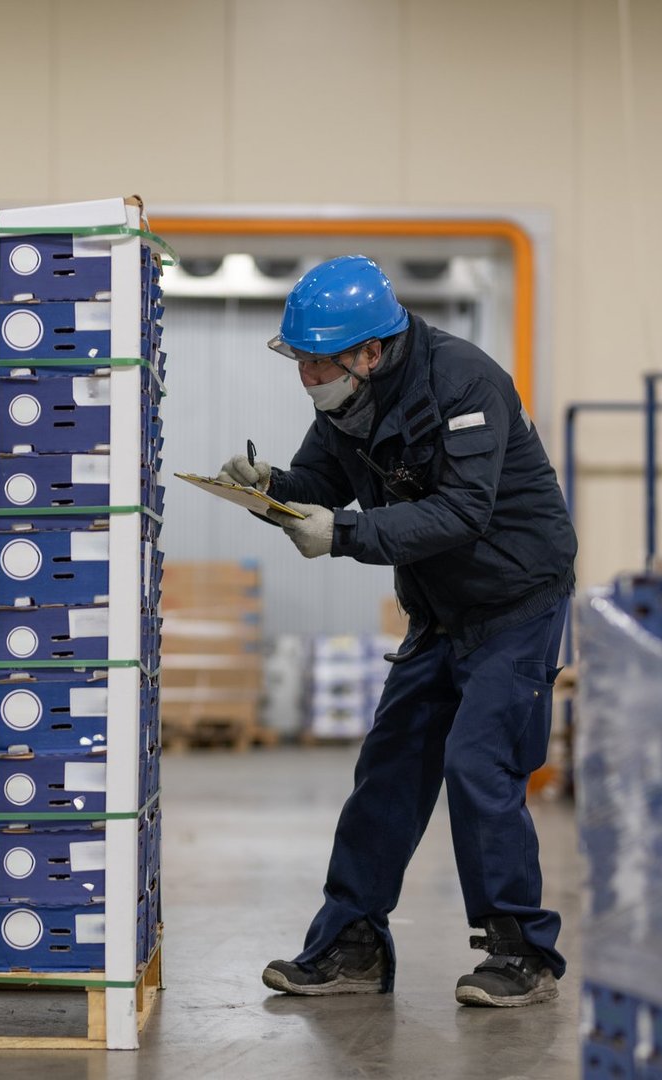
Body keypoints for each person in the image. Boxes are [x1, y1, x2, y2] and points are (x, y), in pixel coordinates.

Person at [218, 255, 577, 1008]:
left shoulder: (465, 383)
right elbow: (322, 483)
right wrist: (271, 488)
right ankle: (351, 943)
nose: (308, 377)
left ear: (371, 352)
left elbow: (463, 511)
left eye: (320, 363)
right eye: (300, 361)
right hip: (439, 610)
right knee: (387, 770)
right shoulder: (348, 400)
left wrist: (344, 535)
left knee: (478, 763)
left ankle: (521, 950)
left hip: (515, 604)